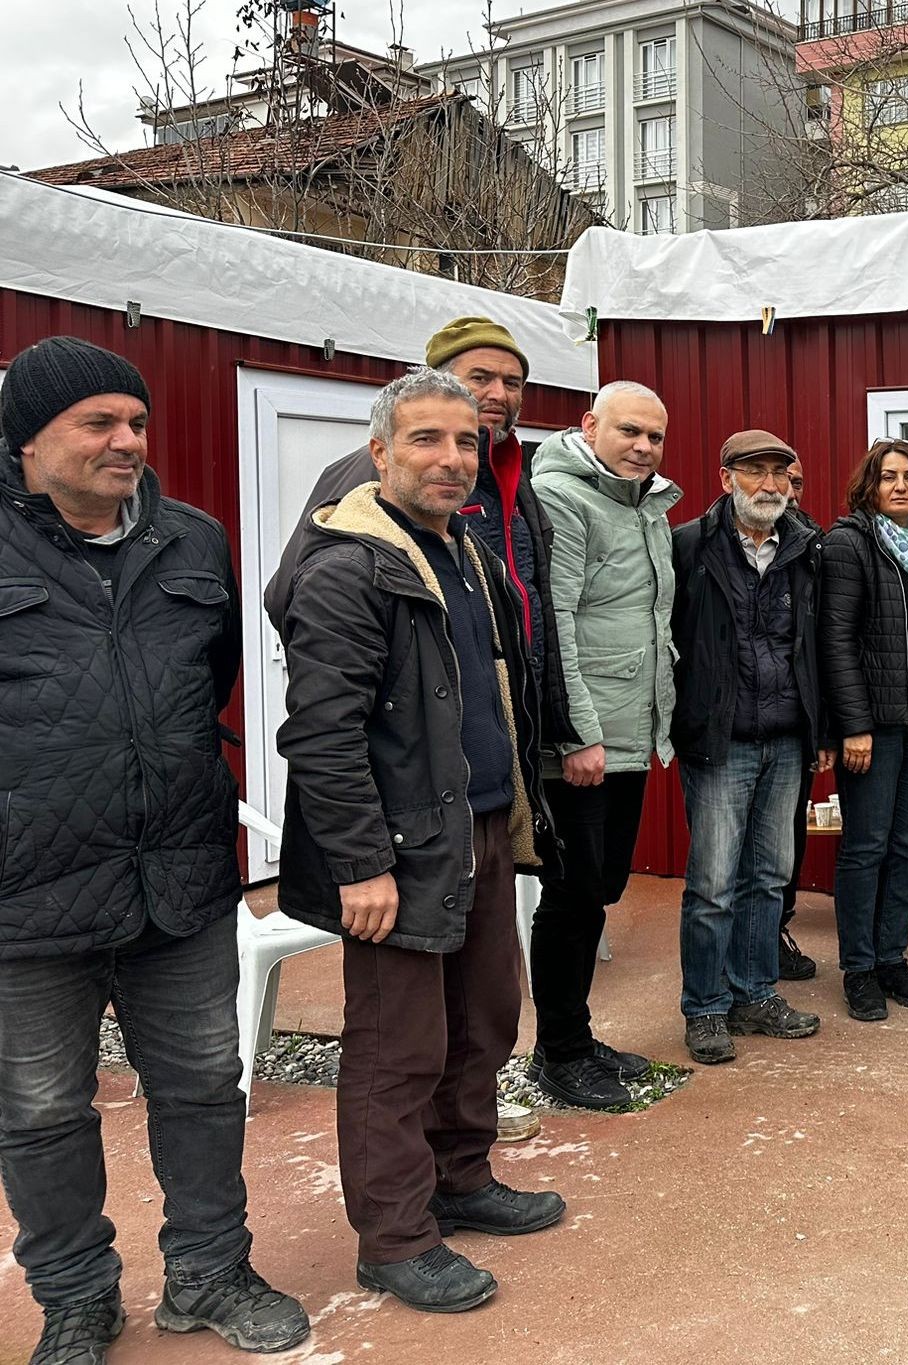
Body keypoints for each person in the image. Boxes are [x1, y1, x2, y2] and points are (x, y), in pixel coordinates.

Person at [0, 338, 311, 1364]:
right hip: (26, 894)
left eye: (135, 421)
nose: (128, 439)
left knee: (203, 1086)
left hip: (177, 878)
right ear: (29, 439)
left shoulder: (192, 541)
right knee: (43, 1112)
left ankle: (209, 1272)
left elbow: (207, 682)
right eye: (99, 422)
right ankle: (78, 1295)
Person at [273, 368, 562, 1314]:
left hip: (475, 821)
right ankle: (394, 1238)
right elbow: (321, 733)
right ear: (381, 451)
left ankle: (462, 1179)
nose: (452, 458)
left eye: (467, 441)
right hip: (395, 848)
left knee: (483, 1017)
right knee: (398, 1047)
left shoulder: (464, 546)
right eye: (428, 440)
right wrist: (361, 863)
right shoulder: (348, 563)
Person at [522, 381, 681, 1109]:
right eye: (630, 432)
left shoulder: (645, 503)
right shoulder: (562, 496)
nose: (644, 447)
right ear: (590, 425)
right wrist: (578, 734)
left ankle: (575, 1037)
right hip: (585, 742)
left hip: (629, 733)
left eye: (655, 436)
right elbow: (553, 623)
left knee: (602, 888)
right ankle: (558, 1049)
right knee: (574, 895)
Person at [671, 430, 830, 1063]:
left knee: (768, 878)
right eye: (755, 472)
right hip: (720, 739)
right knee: (713, 882)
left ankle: (755, 993)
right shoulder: (689, 546)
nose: (770, 485)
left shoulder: (806, 548)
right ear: (725, 478)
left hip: (788, 738)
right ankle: (706, 1008)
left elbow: (816, 647)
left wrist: (819, 730)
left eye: (780, 474)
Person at [819, 438, 908, 1021]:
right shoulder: (850, 544)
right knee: (866, 846)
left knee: (907, 844)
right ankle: (858, 968)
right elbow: (837, 640)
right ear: (869, 488)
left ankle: (891, 958)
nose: (899, 486)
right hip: (876, 720)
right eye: (887, 477)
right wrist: (853, 725)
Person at [779, 456, 822, 982]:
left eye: (796, 480)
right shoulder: (706, 541)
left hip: (798, 718)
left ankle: (774, 931)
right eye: (774, 477)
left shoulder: (815, 542)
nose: (786, 488)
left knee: (787, 840)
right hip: (735, 725)